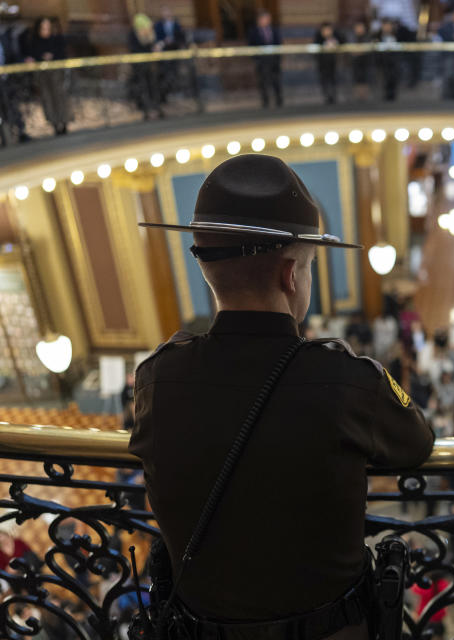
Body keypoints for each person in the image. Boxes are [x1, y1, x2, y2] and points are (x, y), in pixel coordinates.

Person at [132, 155, 435, 638]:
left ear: (207, 267)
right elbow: (417, 443)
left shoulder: (156, 380)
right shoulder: (349, 382)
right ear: (291, 276)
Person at [24, 17, 70, 135]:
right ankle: (54, 123)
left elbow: (63, 53)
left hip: (56, 72)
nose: (45, 29)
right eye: (43, 27)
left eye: (47, 27)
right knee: (47, 98)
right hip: (41, 74)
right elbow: (31, 54)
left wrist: (52, 56)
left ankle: (64, 121)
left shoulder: (56, 39)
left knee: (59, 96)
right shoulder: (34, 41)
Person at [128, 13, 165, 120]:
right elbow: (134, 51)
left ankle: (157, 108)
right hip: (140, 68)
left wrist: (155, 48)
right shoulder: (134, 35)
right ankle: (146, 110)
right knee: (143, 89)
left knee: (153, 87)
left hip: (151, 67)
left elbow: (152, 46)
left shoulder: (149, 35)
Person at [248, 9, 283, 108]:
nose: (267, 21)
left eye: (268, 19)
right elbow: (251, 46)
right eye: (265, 19)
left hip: (273, 59)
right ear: (259, 20)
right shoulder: (253, 31)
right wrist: (256, 58)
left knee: (276, 80)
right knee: (263, 81)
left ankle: (279, 99)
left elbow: (279, 43)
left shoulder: (274, 30)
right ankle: (265, 101)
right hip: (262, 60)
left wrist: (278, 57)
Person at [153, 6, 187, 101]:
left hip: (174, 53)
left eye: (167, 13)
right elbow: (156, 39)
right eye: (164, 13)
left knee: (175, 73)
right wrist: (163, 42)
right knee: (164, 74)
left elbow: (181, 38)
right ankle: (165, 95)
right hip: (163, 55)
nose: (166, 15)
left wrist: (175, 43)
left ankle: (175, 92)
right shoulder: (158, 25)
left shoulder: (176, 25)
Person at [314, 22, 341, 104]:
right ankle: (326, 97)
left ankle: (333, 97)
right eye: (325, 30)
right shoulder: (318, 38)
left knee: (333, 80)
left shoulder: (336, 36)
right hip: (322, 64)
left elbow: (342, 41)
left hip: (332, 63)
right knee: (324, 81)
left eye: (328, 30)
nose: (327, 32)